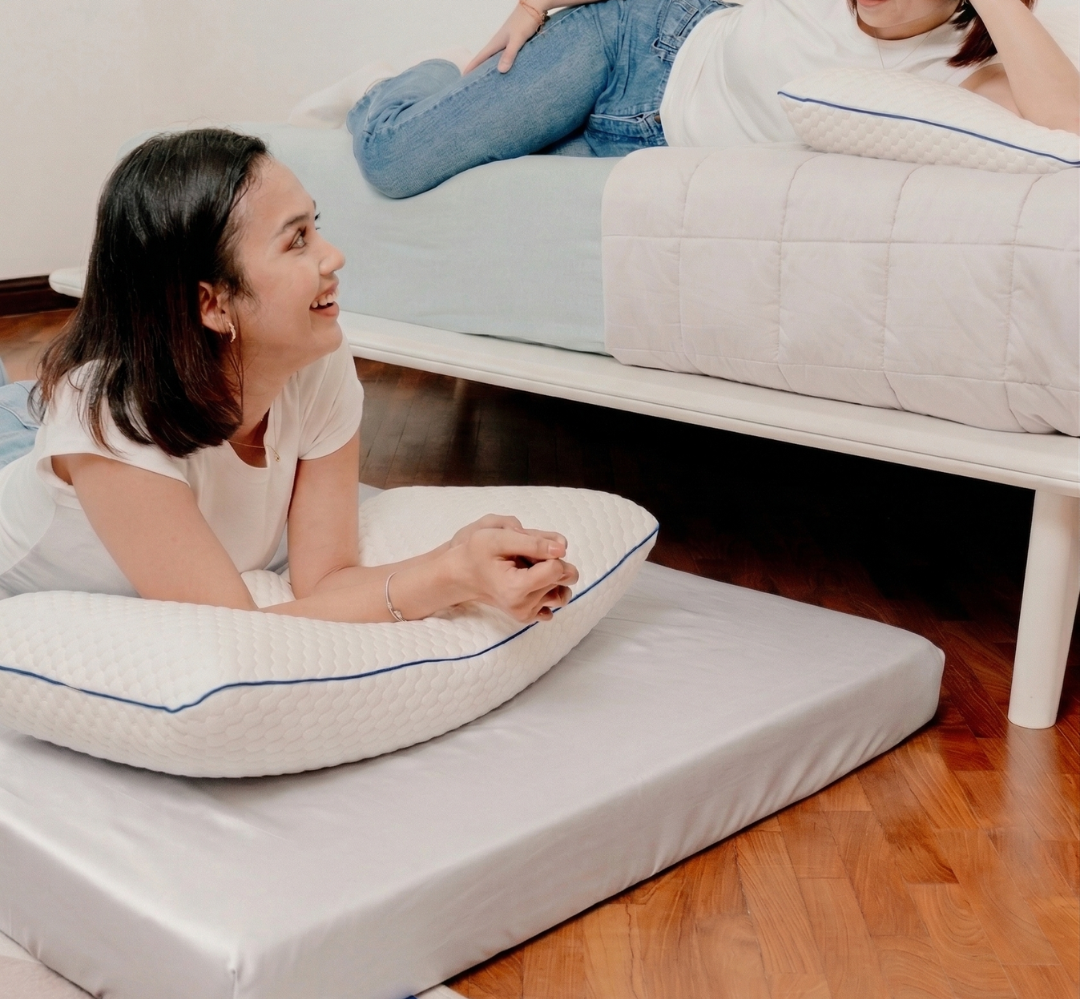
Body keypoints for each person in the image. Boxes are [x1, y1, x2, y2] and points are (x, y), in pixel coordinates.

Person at [0, 129, 578, 622]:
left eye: (315, 227)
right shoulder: (108, 420)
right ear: (213, 304)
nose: (333, 256)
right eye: (297, 239)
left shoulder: (318, 362)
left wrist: (460, 560)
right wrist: (446, 578)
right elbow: (235, 630)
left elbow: (326, 580)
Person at [349, 0, 1080, 199]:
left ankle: (450, 89)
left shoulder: (964, 69)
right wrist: (539, 5)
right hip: (629, 49)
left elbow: (1068, 127)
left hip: (645, 146)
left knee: (474, 182)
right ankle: (402, 81)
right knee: (394, 160)